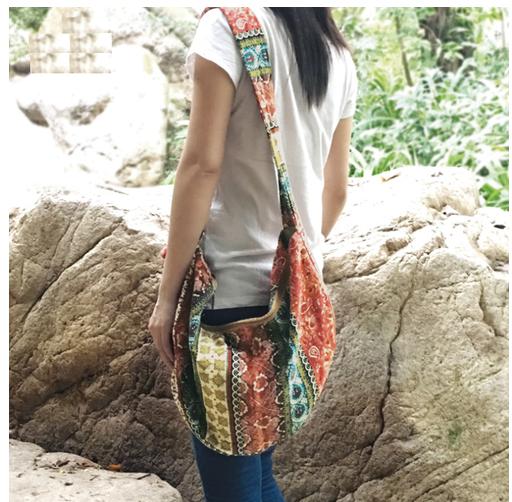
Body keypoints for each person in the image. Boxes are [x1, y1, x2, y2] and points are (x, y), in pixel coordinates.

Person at [148, 6, 358, 502]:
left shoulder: (227, 28)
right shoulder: (335, 51)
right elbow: (335, 192)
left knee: (235, 485)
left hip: (229, 297)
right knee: (259, 476)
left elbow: (201, 166)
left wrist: (166, 297)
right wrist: (297, 257)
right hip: (294, 298)